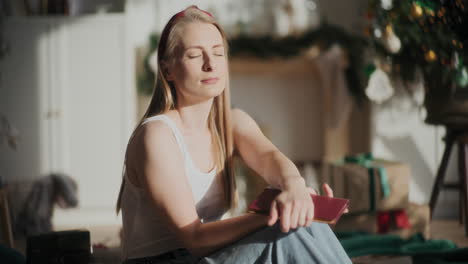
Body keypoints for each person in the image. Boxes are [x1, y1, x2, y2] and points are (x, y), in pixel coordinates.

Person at [116, 5, 352, 264]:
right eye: (195, 56)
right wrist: (271, 215)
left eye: (218, 53)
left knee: (306, 222)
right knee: (285, 231)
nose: (210, 65)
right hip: (166, 259)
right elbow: (194, 238)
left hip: (209, 255)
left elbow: (270, 157)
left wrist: (297, 191)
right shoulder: (157, 136)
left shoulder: (232, 122)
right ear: (168, 69)